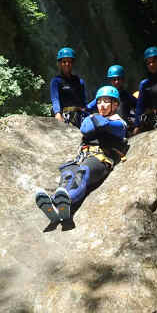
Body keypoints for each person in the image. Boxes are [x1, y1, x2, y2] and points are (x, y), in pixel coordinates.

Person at [35, 86, 128, 226]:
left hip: (100, 159)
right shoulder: (94, 118)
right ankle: (56, 202)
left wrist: (93, 118)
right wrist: (92, 119)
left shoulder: (119, 122)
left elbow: (107, 126)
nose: (101, 105)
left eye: (106, 101)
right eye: (99, 102)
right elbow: (85, 129)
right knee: (68, 174)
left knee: (81, 173)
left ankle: (66, 201)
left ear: (115, 104)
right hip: (82, 157)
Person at [49, 47, 88, 127]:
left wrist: (86, 112)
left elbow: (83, 101)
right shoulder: (56, 81)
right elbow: (55, 99)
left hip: (79, 115)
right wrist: (57, 113)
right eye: (64, 62)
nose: (67, 64)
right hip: (65, 115)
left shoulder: (79, 81)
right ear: (59, 63)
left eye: (69, 61)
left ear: (73, 63)